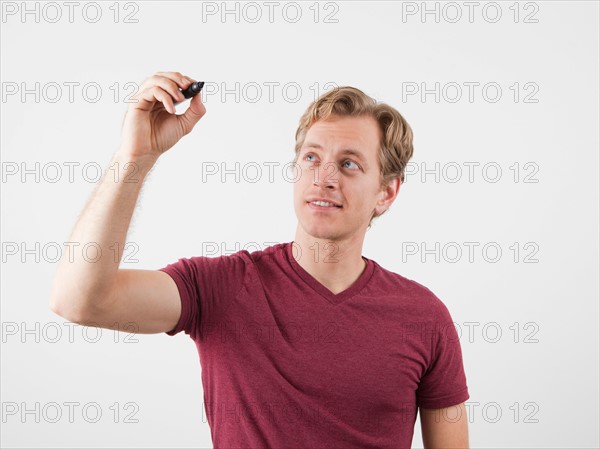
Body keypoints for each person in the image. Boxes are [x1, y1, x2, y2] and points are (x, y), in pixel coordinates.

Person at [50, 71, 470, 448]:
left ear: (387, 192)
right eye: (311, 157)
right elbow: (79, 300)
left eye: (348, 164)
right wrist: (136, 156)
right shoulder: (220, 287)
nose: (323, 177)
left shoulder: (424, 316)